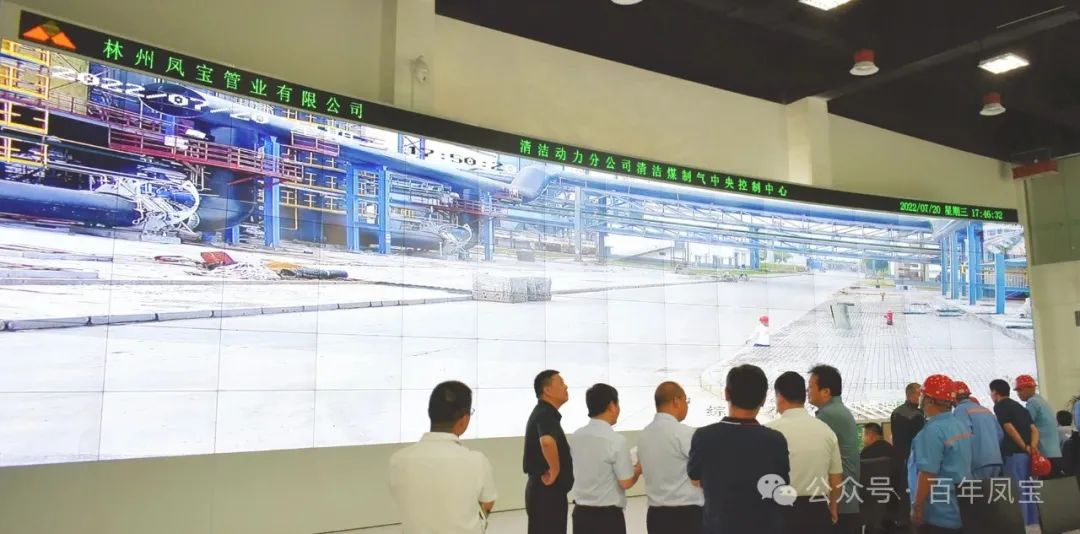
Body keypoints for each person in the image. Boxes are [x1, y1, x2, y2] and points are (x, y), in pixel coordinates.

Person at [688, 364, 789, 534]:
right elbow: (781, 485)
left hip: (719, 527)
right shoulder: (776, 440)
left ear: (726, 393)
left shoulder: (704, 437)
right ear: (763, 399)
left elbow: (695, 478)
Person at [389, 381, 497, 534]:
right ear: (464, 420)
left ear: (430, 413)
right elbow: (488, 501)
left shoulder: (398, 460)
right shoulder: (477, 461)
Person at [765, 371, 841, 534]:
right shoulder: (826, 431)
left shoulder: (768, 431)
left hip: (780, 511)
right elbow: (836, 480)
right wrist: (833, 507)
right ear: (804, 397)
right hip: (818, 512)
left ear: (779, 397)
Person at [568, 383, 640, 534]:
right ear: (612, 406)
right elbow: (626, 482)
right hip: (607, 519)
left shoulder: (576, 436)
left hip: (580, 514)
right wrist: (639, 468)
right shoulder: (616, 440)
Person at [908, 375, 973, 534]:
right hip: (959, 508)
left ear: (929, 400)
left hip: (938, 512)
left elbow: (928, 474)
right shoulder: (959, 425)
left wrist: (917, 506)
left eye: (922, 396)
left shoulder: (932, 432)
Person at [637, 381, 704, 534]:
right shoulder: (684, 433)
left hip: (655, 517)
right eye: (686, 400)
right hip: (687, 516)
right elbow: (704, 470)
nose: (686, 405)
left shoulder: (643, 435)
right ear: (676, 401)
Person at [808, 364, 862, 534]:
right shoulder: (839, 411)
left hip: (838, 502)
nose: (807, 391)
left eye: (810, 386)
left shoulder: (828, 415)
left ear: (826, 392)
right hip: (846, 499)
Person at [523, 370, 573, 534]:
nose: (566, 387)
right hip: (547, 494)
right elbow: (547, 441)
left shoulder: (543, 412)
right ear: (547, 390)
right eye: (561, 383)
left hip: (545, 493)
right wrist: (555, 469)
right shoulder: (545, 414)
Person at [990, 378, 1040, 526]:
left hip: (1014, 454)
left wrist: (1024, 446)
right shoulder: (1019, 407)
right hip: (1027, 455)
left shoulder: (1000, 406)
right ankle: (1032, 523)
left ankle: (1021, 525)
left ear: (995, 392)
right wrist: (1032, 447)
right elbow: (1034, 430)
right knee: (1029, 489)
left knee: (1017, 491)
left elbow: (1010, 429)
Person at [952, 381, 1004, 478]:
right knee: (992, 487)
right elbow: (1000, 435)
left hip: (978, 463)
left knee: (977, 488)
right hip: (996, 460)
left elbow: (963, 436)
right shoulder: (986, 410)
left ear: (953, 398)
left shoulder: (960, 410)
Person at [1015, 375, 1064, 478]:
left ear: (1030, 388)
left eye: (1020, 390)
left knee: (1045, 486)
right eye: (1017, 390)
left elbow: (1026, 426)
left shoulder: (1032, 402)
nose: (1018, 393)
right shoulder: (1041, 400)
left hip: (1044, 455)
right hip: (1055, 453)